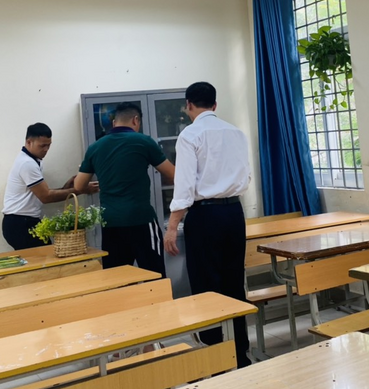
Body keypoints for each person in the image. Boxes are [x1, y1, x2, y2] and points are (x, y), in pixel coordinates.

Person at [163, 82, 252, 368]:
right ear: (215, 105)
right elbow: (246, 176)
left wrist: (172, 227)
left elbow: (184, 186)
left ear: (188, 105)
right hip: (234, 213)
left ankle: (216, 356)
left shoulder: (190, 134)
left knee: (206, 286)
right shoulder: (236, 132)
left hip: (205, 216)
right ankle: (240, 353)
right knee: (234, 282)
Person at [75, 102, 175, 276]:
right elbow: (173, 174)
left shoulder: (95, 147)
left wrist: (90, 187)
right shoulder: (144, 141)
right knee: (154, 276)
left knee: (117, 278)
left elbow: (78, 185)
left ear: (114, 122)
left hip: (111, 222)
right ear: (136, 120)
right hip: (140, 219)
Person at [2, 122, 98, 250]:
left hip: (23, 221)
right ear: (29, 142)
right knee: (45, 257)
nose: (46, 149)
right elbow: (46, 196)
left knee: (45, 256)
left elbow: (42, 192)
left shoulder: (33, 160)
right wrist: (80, 189)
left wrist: (65, 188)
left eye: (49, 145)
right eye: (42, 145)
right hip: (20, 223)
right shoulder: (27, 163)